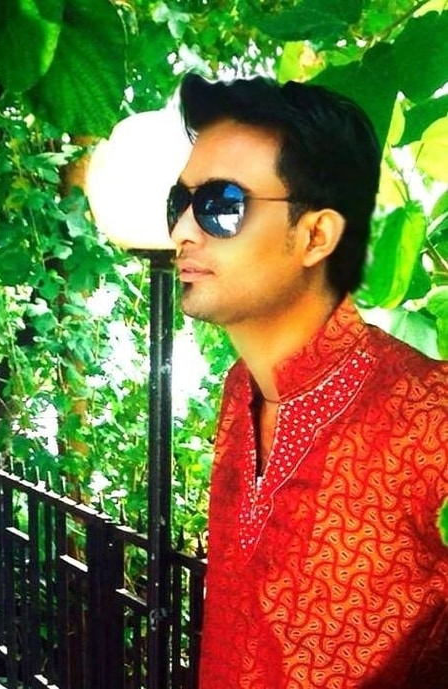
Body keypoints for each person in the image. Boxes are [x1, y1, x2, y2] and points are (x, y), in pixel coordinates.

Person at [166, 73, 448, 689]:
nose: (183, 231)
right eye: (178, 203)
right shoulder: (240, 392)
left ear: (316, 235)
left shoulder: (432, 416)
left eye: (220, 205)